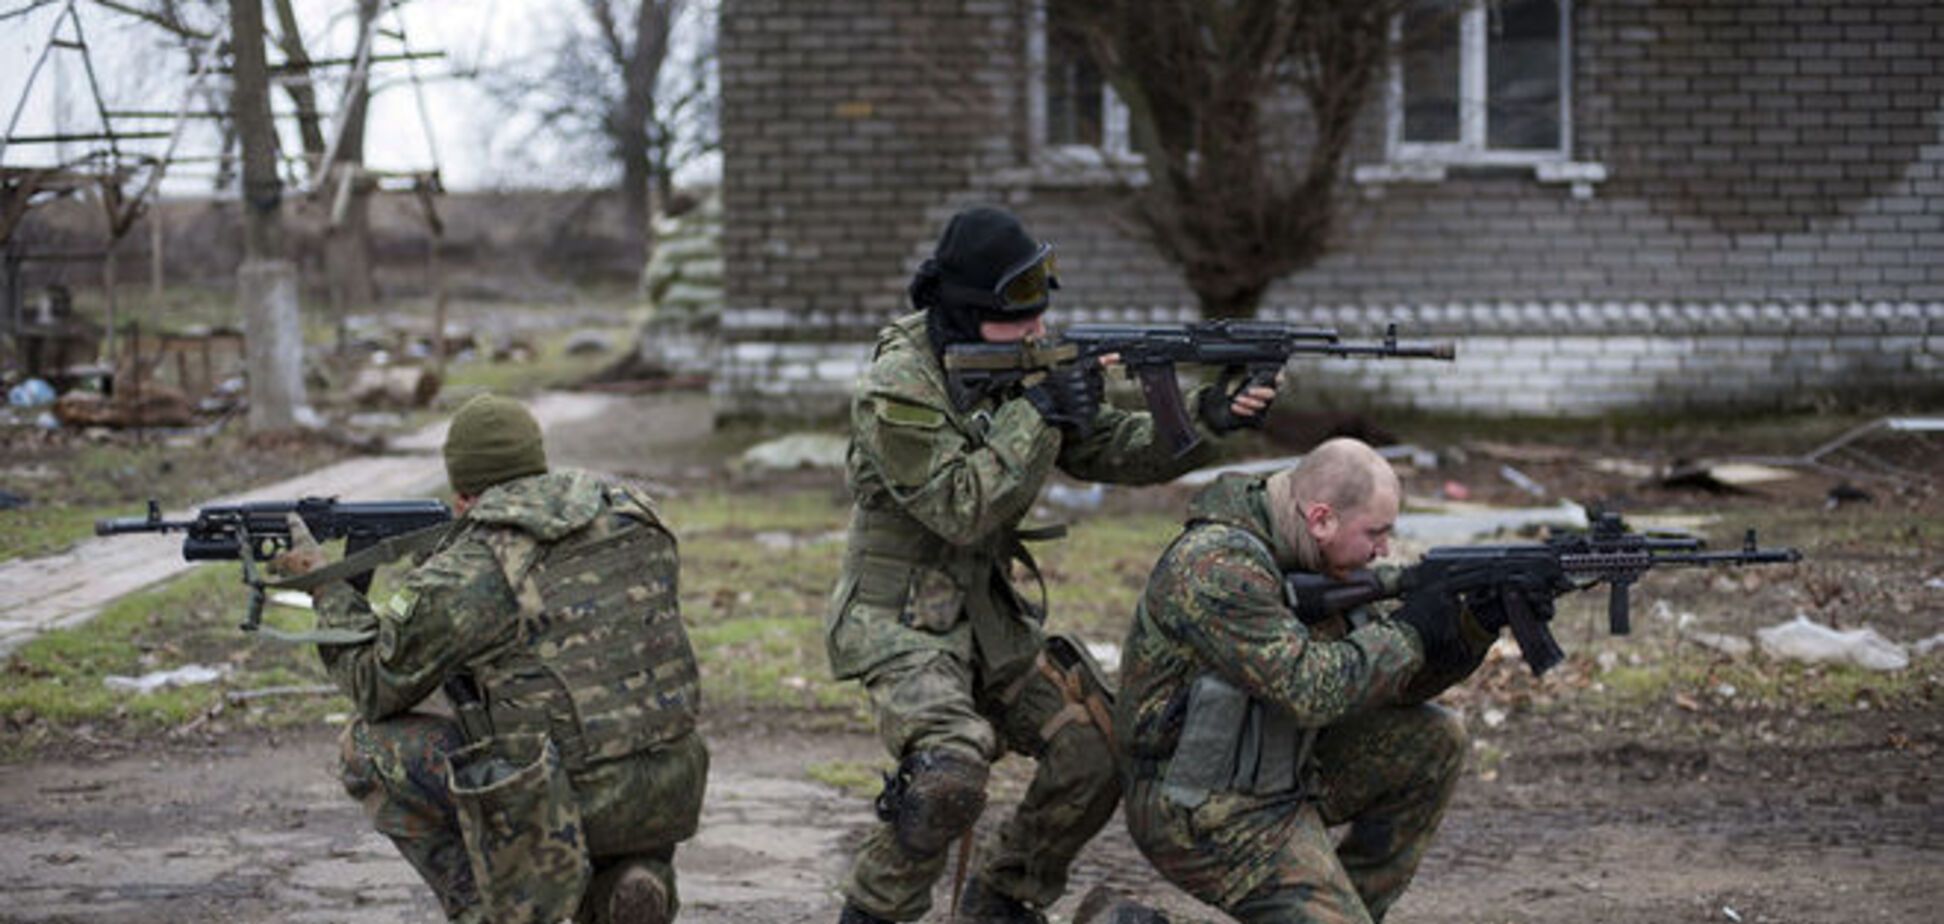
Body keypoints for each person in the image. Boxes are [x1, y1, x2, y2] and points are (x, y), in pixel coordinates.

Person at [827, 205, 1280, 924]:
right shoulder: (899, 386)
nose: (1039, 331)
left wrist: (1209, 416)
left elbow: (1107, 446)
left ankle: (1002, 899)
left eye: (1043, 315)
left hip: (988, 618)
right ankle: (874, 912)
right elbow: (961, 506)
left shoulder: (1018, 366)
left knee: (1095, 749)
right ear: (969, 315)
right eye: (1021, 319)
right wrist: (1038, 411)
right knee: (949, 774)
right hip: (901, 622)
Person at [271, 394, 708, 924]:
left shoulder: (472, 570)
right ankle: (627, 881)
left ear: (460, 492)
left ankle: (490, 908)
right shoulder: (630, 512)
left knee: (367, 748)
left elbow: (372, 683)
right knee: (593, 717)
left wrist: (325, 586)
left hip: (560, 802)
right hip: (667, 787)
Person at [1115, 437, 1542, 923]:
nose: (1384, 550)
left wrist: (1473, 628)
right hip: (1198, 802)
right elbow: (1310, 691)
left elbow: (1392, 681)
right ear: (1321, 519)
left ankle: (1346, 910)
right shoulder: (1217, 567)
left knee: (1435, 738)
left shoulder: (1321, 555)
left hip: (1280, 764)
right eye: (1376, 533)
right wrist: (1410, 630)